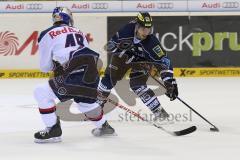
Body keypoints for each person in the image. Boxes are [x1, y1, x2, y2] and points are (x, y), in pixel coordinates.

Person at [34, 7, 115, 143]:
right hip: (91, 72)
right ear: (69, 18)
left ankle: (52, 129)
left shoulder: (46, 33)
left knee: (41, 92)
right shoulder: (79, 32)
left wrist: (57, 66)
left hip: (73, 75)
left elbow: (45, 66)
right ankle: (103, 126)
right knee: (85, 102)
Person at [97, 12, 178, 122]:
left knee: (138, 84)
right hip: (124, 56)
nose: (146, 32)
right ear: (137, 26)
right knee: (109, 77)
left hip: (142, 61)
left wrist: (169, 81)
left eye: (148, 29)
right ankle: (97, 106)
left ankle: (159, 111)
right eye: (143, 28)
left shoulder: (152, 43)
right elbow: (109, 45)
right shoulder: (126, 30)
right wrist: (117, 48)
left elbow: (164, 62)